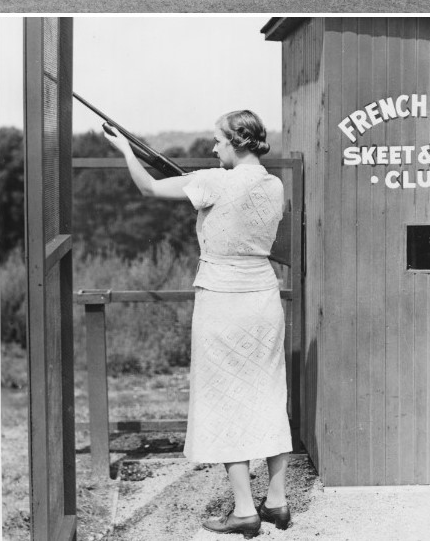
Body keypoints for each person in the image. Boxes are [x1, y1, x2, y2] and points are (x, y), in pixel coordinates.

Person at [103, 110, 292, 537]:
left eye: (218, 141)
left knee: (225, 397)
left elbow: (149, 187)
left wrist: (126, 150)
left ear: (237, 143)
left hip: (222, 299)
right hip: (263, 295)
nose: (212, 147)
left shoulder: (214, 181)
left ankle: (245, 510)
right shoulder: (273, 183)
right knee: (267, 391)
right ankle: (277, 502)